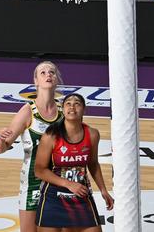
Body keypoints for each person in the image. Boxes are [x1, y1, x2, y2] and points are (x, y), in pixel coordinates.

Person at [0, 61, 64, 232]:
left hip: (58, 182)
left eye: (52, 72)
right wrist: (1, 138)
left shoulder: (64, 112)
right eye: (43, 72)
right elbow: (1, 148)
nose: (48, 75)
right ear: (36, 81)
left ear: (56, 80)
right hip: (33, 183)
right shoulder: (27, 111)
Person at [34, 93, 114, 231]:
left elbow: (93, 164)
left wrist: (103, 190)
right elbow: (39, 170)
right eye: (68, 104)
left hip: (80, 195)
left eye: (77, 103)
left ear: (84, 109)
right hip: (53, 197)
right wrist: (69, 184)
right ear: (63, 110)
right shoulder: (51, 135)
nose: (72, 106)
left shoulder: (93, 134)